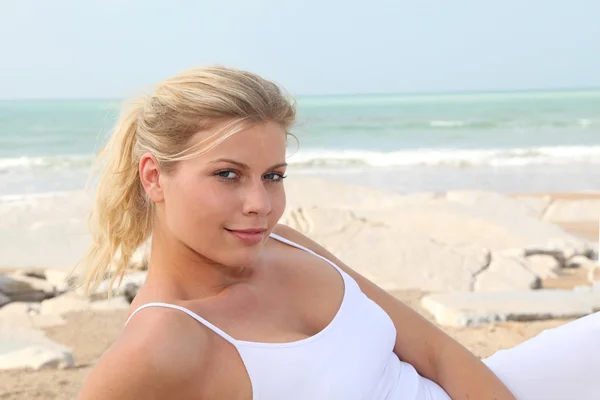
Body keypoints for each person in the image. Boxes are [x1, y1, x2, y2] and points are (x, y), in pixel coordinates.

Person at [76, 66, 600, 400]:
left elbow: (438, 354)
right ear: (154, 177)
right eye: (227, 174)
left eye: (274, 176)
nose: (260, 205)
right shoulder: (162, 343)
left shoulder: (287, 246)